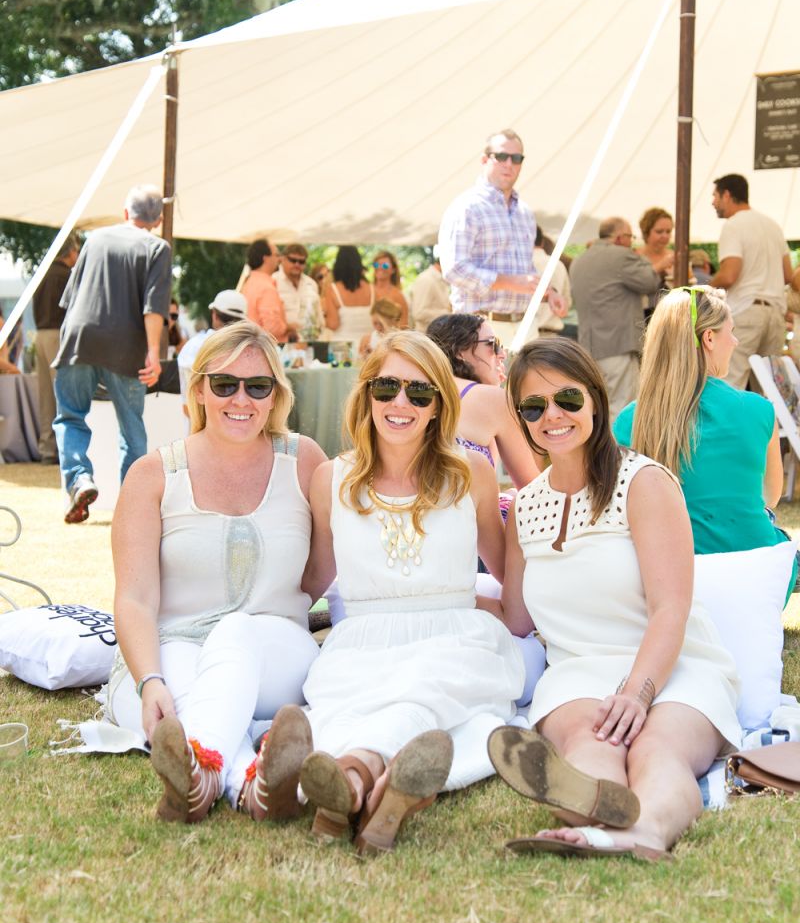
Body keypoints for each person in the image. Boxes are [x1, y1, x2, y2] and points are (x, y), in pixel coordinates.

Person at [267, 331, 524, 855]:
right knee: (350, 708)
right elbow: (313, 578)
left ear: (439, 406)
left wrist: (522, 523)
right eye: (386, 388)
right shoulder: (330, 479)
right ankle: (372, 788)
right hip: (361, 639)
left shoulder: (471, 472)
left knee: (422, 689)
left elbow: (505, 580)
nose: (400, 403)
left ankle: (351, 780)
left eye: (419, 393)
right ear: (365, 396)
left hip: (455, 635)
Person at [486, 338, 740, 860]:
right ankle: (594, 814)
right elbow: (515, 616)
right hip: (578, 672)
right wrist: (431, 602)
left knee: (656, 748)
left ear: (596, 401)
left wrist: (638, 694)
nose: (551, 416)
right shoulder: (526, 506)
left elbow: (671, 609)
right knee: (590, 745)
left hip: (672, 664)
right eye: (533, 407)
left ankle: (644, 832)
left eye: (567, 400)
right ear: (521, 419)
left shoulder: (643, 482)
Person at [110, 320, 326, 823]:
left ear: (276, 396)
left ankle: (199, 775)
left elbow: (321, 574)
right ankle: (247, 785)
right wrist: (149, 681)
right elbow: (134, 599)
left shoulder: (304, 461)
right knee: (181, 702)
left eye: (258, 386)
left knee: (234, 634)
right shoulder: (153, 475)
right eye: (225, 384)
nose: (241, 399)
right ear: (200, 390)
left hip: (276, 647)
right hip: (173, 645)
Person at [613, 286, 794, 593]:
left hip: (666, 581)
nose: (735, 342)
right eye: (731, 332)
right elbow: (769, 497)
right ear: (709, 338)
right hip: (755, 577)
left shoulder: (631, 420)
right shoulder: (758, 409)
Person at [53, 184, 172, 524]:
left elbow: (70, 300)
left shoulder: (96, 239)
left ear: (125, 213)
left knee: (70, 417)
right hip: (126, 347)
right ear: (159, 219)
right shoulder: (157, 248)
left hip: (79, 340)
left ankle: (79, 479)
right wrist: (152, 353)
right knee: (130, 427)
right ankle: (131, 506)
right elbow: (154, 307)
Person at [438, 128, 566, 349]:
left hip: (525, 327)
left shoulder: (524, 213)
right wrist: (509, 282)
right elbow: (454, 269)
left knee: (525, 386)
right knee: (483, 386)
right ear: (485, 159)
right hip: (477, 327)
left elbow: (523, 272)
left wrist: (549, 293)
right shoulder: (466, 207)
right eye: (501, 156)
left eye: (516, 158)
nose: (509, 163)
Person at [426, 313, 540, 489]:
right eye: (492, 344)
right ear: (459, 351)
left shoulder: (417, 390)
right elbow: (531, 488)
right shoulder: (491, 398)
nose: (501, 354)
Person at [569, 217, 664, 420]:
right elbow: (649, 282)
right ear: (620, 238)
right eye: (631, 237)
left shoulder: (580, 260)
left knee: (598, 411)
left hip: (589, 346)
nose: (632, 242)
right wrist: (652, 263)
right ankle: (619, 453)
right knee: (623, 409)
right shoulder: (621, 256)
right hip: (618, 344)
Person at [709, 174, 792, 390]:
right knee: (771, 390)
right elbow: (788, 276)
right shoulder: (773, 225)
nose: (712, 202)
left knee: (730, 381)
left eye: (715, 196)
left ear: (727, 195)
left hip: (746, 312)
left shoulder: (734, 225)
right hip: (775, 314)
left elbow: (729, 275)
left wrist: (704, 289)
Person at [32, 234, 79, 464]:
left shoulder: (41, 274)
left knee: (45, 396)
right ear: (69, 253)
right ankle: (65, 449)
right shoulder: (66, 275)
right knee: (64, 393)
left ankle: (47, 449)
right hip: (58, 336)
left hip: (39, 335)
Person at [176, 289, 248, 412]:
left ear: (214, 314)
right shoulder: (253, 350)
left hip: (200, 426)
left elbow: (189, 406)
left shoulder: (193, 346)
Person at [322, 246, 374, 348]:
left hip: (342, 349)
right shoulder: (372, 289)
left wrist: (321, 317)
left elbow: (333, 324)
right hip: (369, 348)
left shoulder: (332, 289)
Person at [240, 239, 290, 343]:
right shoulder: (266, 287)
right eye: (276, 255)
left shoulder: (248, 283)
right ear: (265, 258)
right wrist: (288, 328)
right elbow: (273, 329)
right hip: (266, 347)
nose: (279, 259)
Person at [274, 243, 323, 341]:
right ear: (283, 259)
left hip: (309, 339)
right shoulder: (273, 281)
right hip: (281, 340)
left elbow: (317, 313)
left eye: (301, 261)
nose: (297, 264)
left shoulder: (311, 284)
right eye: (293, 260)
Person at [533, 227, 571, 338]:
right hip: (551, 336)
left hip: (522, 334)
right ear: (542, 241)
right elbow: (566, 303)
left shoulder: (519, 264)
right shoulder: (559, 264)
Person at [408, 252, 451, 333]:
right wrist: (448, 314)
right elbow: (419, 313)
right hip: (426, 337)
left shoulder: (439, 279)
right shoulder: (427, 280)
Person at [372, 250, 409, 327]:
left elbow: (404, 324)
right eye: (376, 265)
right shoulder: (368, 290)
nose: (380, 268)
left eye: (385, 265)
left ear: (393, 270)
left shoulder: (398, 295)